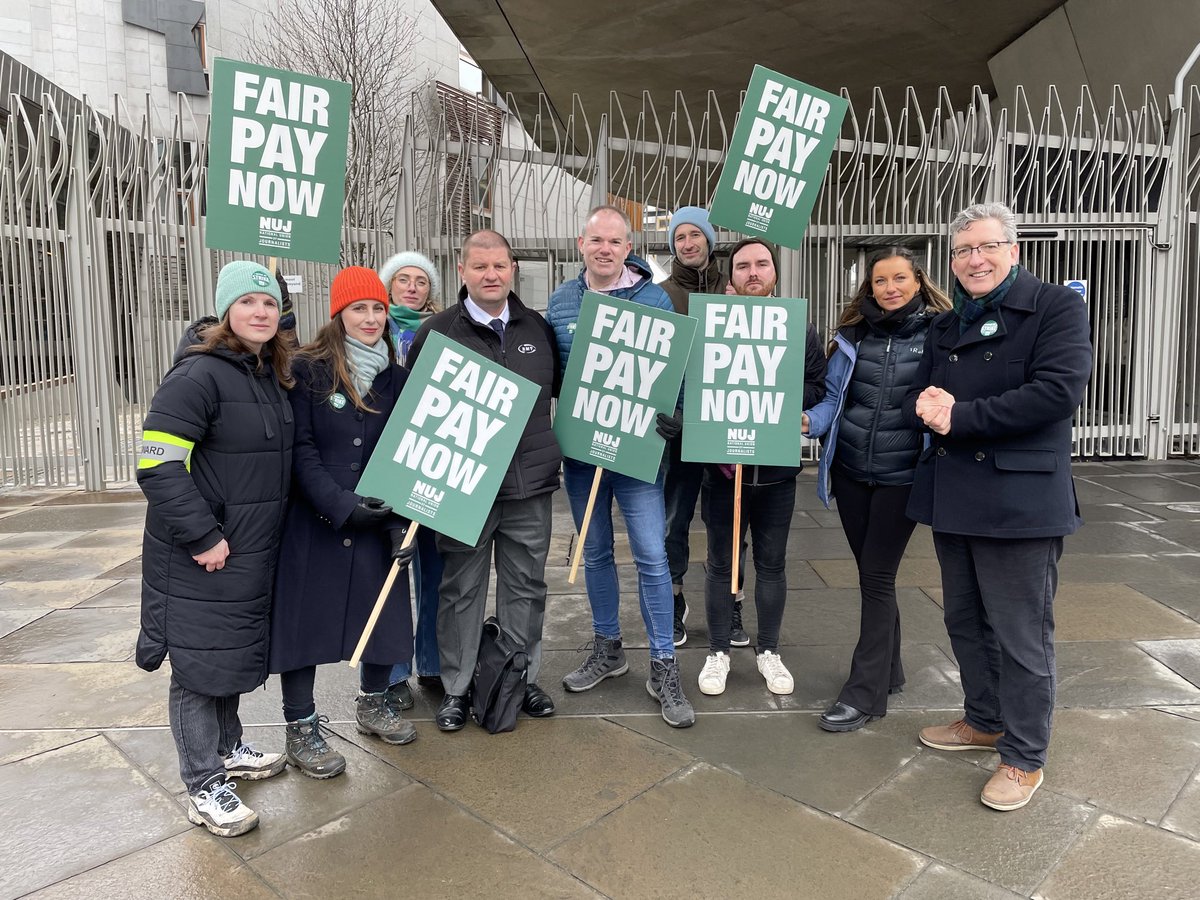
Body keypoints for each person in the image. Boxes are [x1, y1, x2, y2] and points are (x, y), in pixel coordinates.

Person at [904, 202, 1092, 811]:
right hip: (956, 495)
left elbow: (1056, 393)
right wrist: (925, 401)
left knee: (1021, 635)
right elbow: (931, 391)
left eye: (986, 247)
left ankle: (1024, 756)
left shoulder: (1055, 308)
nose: (974, 260)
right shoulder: (948, 322)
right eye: (962, 251)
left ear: (1013, 250)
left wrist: (959, 417)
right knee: (964, 621)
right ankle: (983, 719)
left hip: (1020, 501)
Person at [136, 260, 294, 837]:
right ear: (227, 310)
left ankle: (228, 748)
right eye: (249, 301)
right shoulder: (198, 376)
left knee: (226, 654)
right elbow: (157, 464)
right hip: (204, 553)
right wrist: (203, 535)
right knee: (199, 669)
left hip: (246, 552)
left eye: (270, 303)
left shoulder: (264, 372)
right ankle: (203, 783)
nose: (260, 312)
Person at [407, 229, 562, 732]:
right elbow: (414, 413)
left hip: (529, 486)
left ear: (512, 268)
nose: (491, 275)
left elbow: (558, 396)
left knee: (526, 588)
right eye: (480, 267)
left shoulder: (537, 329)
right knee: (461, 589)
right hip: (463, 488)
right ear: (462, 270)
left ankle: (519, 677)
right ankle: (456, 688)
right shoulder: (437, 333)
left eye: (499, 266)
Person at [548, 205, 695, 729]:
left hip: (637, 453)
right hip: (583, 453)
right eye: (596, 240)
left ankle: (663, 662)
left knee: (653, 555)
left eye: (615, 241)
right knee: (596, 552)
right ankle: (609, 647)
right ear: (581, 244)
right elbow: (554, 371)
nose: (605, 249)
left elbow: (675, 365)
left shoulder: (653, 298)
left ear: (628, 249)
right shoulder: (563, 300)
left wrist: (676, 414)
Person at [271, 266, 418, 779]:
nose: (372, 318)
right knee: (305, 624)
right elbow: (302, 451)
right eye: (360, 308)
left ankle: (374, 701)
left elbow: (408, 452)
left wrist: (400, 523)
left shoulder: (398, 378)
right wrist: (338, 503)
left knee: (382, 615)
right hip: (317, 519)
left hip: (379, 518)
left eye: (378, 308)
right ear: (339, 314)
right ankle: (301, 726)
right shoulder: (308, 370)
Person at [803, 248, 952, 732]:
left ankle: (862, 693)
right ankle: (890, 669)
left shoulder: (939, 335)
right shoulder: (851, 337)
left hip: (901, 478)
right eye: (881, 280)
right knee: (872, 573)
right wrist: (809, 421)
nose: (890, 288)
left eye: (900, 279)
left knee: (876, 579)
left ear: (917, 281)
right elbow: (833, 401)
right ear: (869, 286)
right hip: (849, 473)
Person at [696, 238, 825, 697]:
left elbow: (817, 385)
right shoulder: (707, 323)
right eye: (743, 265)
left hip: (775, 473)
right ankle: (718, 652)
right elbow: (692, 381)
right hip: (722, 472)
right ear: (730, 276)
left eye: (762, 264)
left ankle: (768, 650)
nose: (753, 272)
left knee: (772, 563)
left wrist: (777, 387)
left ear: (774, 273)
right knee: (719, 563)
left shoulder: (799, 328)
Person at [659, 206, 740, 647]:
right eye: (679, 237)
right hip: (680, 428)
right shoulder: (661, 295)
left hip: (726, 424)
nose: (688, 243)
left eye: (695, 234)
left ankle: (732, 600)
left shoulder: (736, 288)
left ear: (710, 239)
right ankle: (674, 599)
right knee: (674, 519)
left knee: (729, 518)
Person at [375, 250, 446, 704]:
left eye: (421, 281)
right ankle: (393, 672)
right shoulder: (373, 330)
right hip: (388, 460)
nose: (413, 287)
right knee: (392, 570)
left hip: (435, 459)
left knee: (437, 571)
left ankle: (434, 664)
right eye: (403, 279)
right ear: (389, 286)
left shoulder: (444, 330)